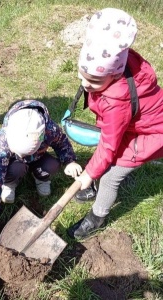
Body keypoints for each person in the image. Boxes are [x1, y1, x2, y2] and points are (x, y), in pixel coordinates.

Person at [68, 8, 163, 239]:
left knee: (110, 175)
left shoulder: (116, 102)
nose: (85, 84)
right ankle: (97, 180)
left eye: (93, 80)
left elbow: (109, 146)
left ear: (114, 74)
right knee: (106, 155)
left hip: (153, 134)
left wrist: (88, 175)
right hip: (135, 124)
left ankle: (96, 217)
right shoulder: (116, 60)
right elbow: (109, 137)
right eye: (82, 74)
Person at [0, 100, 83, 235]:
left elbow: (62, 144)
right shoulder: (1, 141)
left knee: (52, 165)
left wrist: (70, 161)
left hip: (38, 158)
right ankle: (10, 183)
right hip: (15, 163)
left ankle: (41, 177)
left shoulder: (49, 129)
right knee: (16, 169)